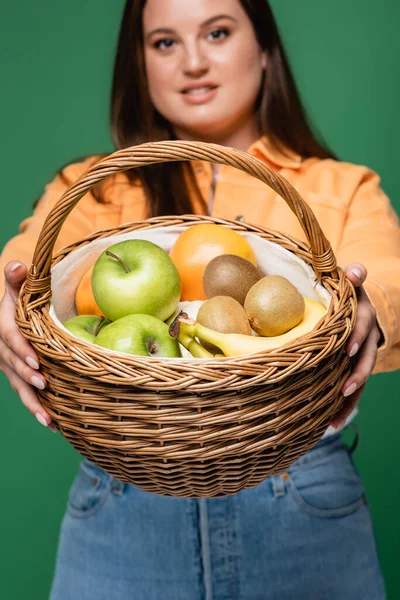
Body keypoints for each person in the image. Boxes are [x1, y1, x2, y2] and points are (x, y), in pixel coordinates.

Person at [0, 0, 398, 597]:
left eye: (216, 32)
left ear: (264, 49)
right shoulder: (95, 191)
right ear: (139, 66)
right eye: (164, 42)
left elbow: (389, 271)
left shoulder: (340, 188)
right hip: (123, 492)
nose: (192, 61)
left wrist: (371, 307)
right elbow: (22, 263)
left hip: (301, 492)